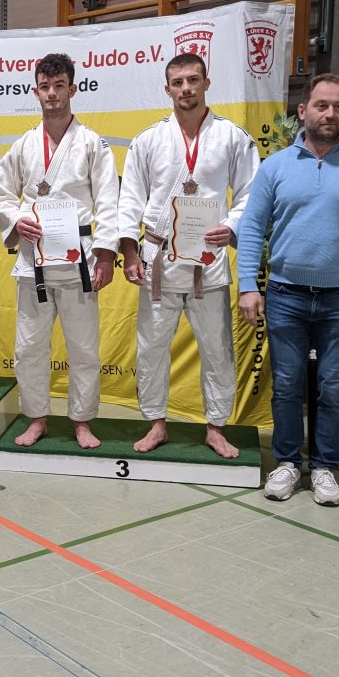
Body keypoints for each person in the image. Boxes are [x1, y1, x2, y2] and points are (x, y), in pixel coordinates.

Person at [237, 72, 339, 506]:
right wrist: (247, 285)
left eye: (338, 106)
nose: (330, 113)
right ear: (303, 111)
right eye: (321, 105)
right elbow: (252, 228)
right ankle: (288, 463)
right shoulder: (274, 167)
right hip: (286, 294)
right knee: (287, 385)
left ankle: (326, 466)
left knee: (333, 386)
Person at [118, 52, 260, 458]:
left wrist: (232, 226)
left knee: (217, 348)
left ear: (206, 83)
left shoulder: (231, 137)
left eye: (193, 80)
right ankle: (156, 423)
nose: (186, 88)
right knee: (151, 347)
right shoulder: (148, 140)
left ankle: (216, 427)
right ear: (167, 89)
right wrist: (129, 252)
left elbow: (251, 192)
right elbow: (129, 199)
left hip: (207, 259)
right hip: (158, 258)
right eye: (178, 82)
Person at [0, 53, 119, 449]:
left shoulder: (93, 143)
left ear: (72, 89)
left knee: (83, 348)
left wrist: (106, 253)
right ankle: (37, 418)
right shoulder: (24, 145)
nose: (52, 94)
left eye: (59, 86)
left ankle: (82, 421)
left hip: (80, 260)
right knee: (29, 346)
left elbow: (109, 201)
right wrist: (16, 219)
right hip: (34, 260)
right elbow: (0, 193)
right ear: (36, 92)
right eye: (45, 87)